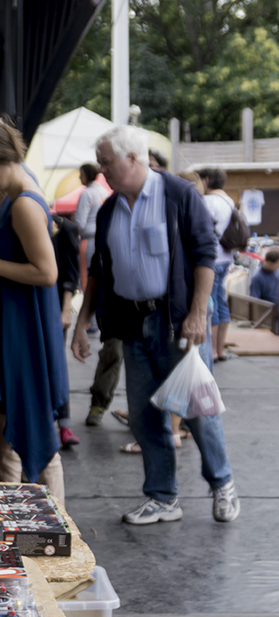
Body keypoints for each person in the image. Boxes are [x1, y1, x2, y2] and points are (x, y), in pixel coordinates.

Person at [71, 125, 240, 524]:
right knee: (145, 417)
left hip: (177, 324)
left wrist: (198, 314)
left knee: (198, 411)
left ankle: (223, 484)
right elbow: (97, 271)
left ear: (134, 159)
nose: (102, 170)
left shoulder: (179, 196)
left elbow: (205, 256)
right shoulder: (110, 208)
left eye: (107, 162)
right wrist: (82, 323)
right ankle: (163, 497)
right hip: (134, 324)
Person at [0, 115, 68, 504]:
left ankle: (46, 546)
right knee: (4, 439)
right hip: (7, 328)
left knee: (17, 443)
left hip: (20, 335)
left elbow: (47, 272)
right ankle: (30, 540)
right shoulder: (6, 197)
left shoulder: (23, 203)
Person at [197, 166, 236, 361]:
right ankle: (220, 349)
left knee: (209, 303)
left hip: (211, 259)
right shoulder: (229, 201)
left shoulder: (207, 201)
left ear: (206, 180)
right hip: (226, 258)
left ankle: (211, 350)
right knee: (221, 302)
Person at [52, 216, 81, 448]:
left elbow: (71, 275)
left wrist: (66, 310)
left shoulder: (65, 229)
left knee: (56, 364)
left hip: (53, 307)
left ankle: (64, 425)